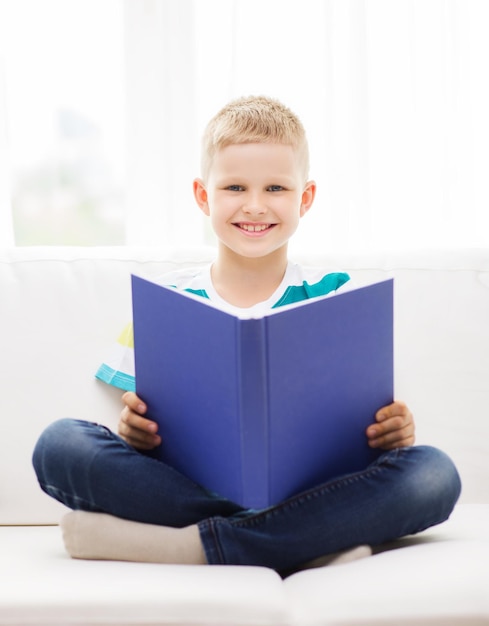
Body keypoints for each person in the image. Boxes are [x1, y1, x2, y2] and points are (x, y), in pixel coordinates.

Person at [32, 96, 461, 574]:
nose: (254, 205)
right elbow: (135, 433)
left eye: (275, 187)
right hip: (190, 488)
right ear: (203, 196)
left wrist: (393, 433)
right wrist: (134, 436)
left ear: (305, 198)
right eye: (235, 187)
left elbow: (367, 420)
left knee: (434, 474)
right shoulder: (164, 303)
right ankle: (304, 540)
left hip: (314, 487)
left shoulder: (336, 296)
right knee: (60, 444)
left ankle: (196, 546)